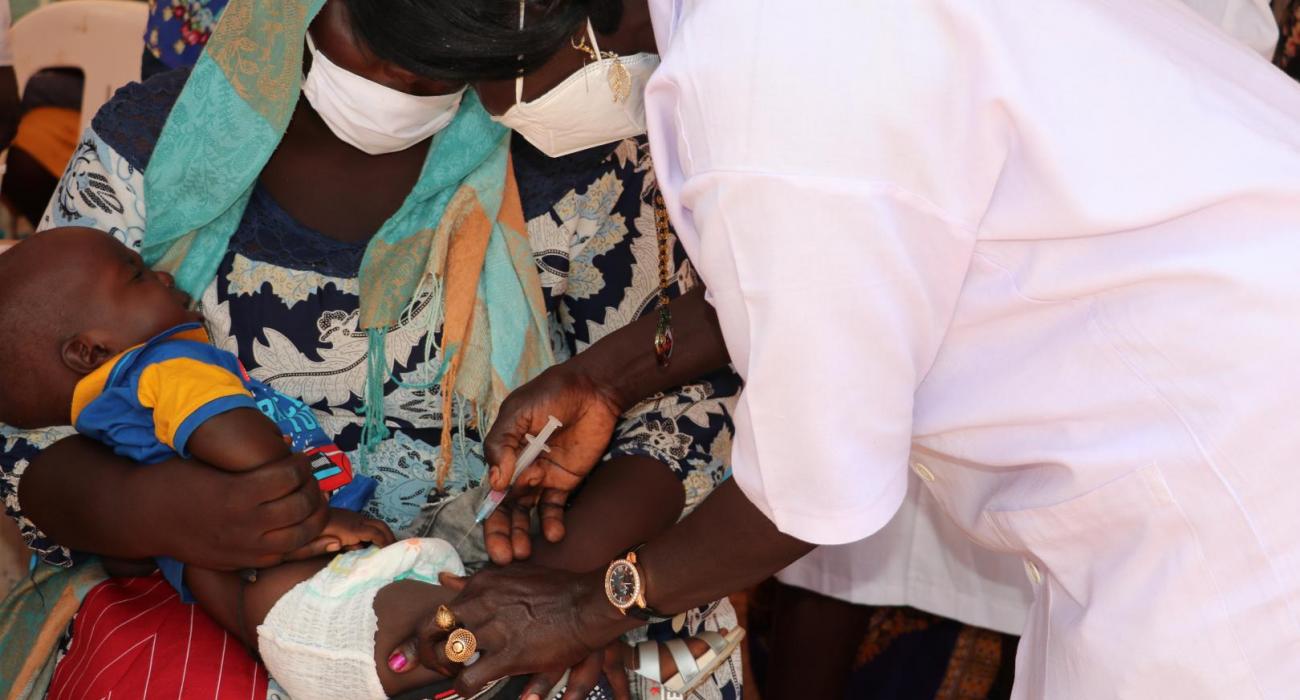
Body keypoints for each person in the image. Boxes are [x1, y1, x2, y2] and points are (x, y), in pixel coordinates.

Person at [390, 1, 1300, 698]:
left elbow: (815, 488)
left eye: (477, 86)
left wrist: (587, 608)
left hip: (1233, 471)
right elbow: (885, 253)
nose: (489, 109)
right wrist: (609, 374)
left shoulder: (764, 91)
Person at [0, 0, 744, 698]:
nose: (404, 75)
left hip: (562, 574)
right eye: (381, 35)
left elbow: (681, 397)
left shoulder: (566, 151)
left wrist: (553, 600)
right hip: (231, 598)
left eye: (442, 54)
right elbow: (24, 414)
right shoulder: (151, 152)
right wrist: (157, 510)